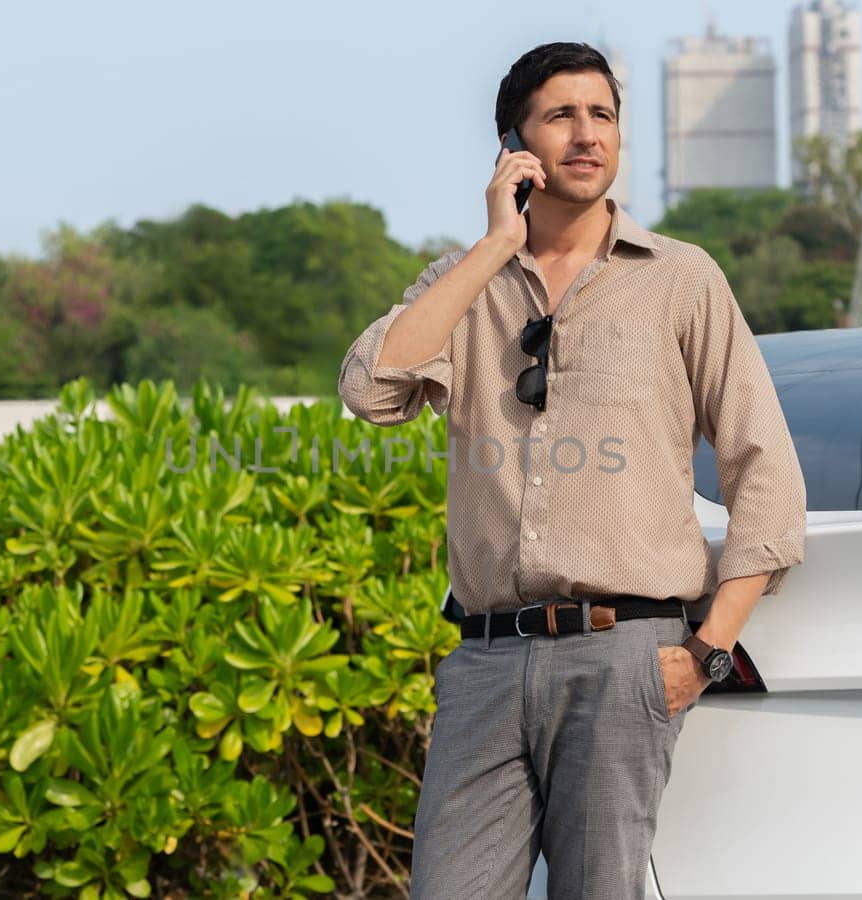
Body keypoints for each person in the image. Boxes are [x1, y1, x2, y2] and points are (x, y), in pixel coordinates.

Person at [336, 41, 807, 900]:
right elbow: (372, 390)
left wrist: (704, 651)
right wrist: (494, 246)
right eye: (561, 116)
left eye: (604, 116)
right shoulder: (461, 283)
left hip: (626, 653)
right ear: (514, 145)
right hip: (484, 664)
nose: (587, 135)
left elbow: (764, 468)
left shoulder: (680, 280)